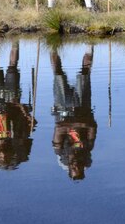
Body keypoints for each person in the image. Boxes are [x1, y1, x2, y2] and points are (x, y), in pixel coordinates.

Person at [0, 41, 35, 170]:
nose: (2, 157)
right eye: (5, 159)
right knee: (12, 67)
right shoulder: (18, 141)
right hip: (12, 100)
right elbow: (30, 120)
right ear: (11, 156)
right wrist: (20, 105)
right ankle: (15, 40)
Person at [51, 45, 97, 180]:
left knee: (58, 73)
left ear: (70, 168)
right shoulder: (88, 148)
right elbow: (93, 126)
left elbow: (59, 128)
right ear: (83, 168)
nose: (76, 167)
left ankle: (52, 47)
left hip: (63, 107)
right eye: (79, 169)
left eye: (74, 170)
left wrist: (79, 124)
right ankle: (89, 46)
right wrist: (76, 124)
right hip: (82, 107)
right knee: (85, 73)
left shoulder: (60, 151)